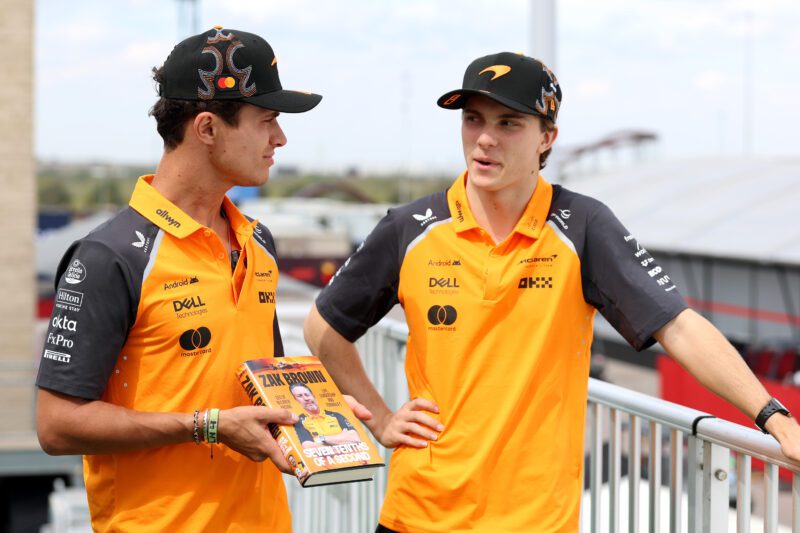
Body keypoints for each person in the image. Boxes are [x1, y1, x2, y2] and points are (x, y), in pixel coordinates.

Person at [304, 52, 800, 532]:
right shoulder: (410, 227)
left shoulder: (582, 226)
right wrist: (383, 418)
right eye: (473, 119)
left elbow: (678, 325)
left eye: (508, 124)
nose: (485, 140)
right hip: (419, 515)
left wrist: (774, 418)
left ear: (547, 138)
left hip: (536, 520)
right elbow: (323, 328)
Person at [35, 27, 368, 531]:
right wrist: (208, 427)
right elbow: (57, 425)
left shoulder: (259, 242)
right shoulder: (111, 255)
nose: (280, 139)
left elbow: (262, 385)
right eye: (268, 120)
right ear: (208, 128)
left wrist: (316, 411)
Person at [289, 382, 362, 448]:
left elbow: (356, 438)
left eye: (307, 394)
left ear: (313, 396)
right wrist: (342, 437)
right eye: (300, 396)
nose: (306, 398)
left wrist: (321, 439)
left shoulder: (336, 415)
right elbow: (308, 446)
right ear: (296, 400)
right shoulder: (298, 421)